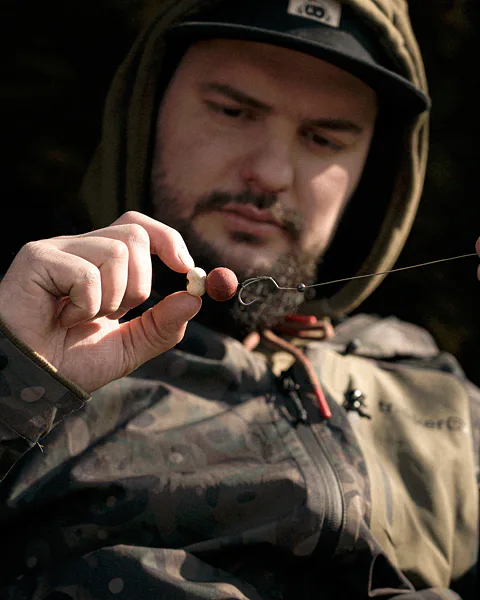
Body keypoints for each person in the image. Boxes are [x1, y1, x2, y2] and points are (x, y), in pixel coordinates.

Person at [0, 0, 478, 598]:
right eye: (233, 111)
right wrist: (15, 383)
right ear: (147, 110)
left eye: (323, 137)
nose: (272, 173)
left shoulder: (440, 394)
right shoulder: (28, 339)